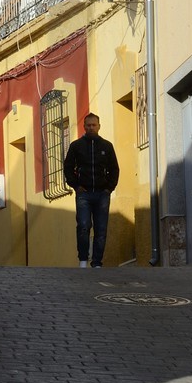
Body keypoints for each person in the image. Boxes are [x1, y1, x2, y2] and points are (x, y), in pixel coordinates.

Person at [63, 112, 120, 267]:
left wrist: (109, 188)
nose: (91, 128)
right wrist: (76, 186)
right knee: (83, 226)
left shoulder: (107, 146)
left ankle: (97, 263)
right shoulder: (76, 146)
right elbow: (68, 167)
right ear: (84, 127)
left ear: (99, 126)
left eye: (94, 125)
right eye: (88, 125)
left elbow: (114, 168)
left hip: (102, 194)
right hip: (84, 194)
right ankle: (83, 260)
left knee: (101, 229)